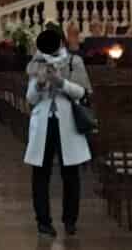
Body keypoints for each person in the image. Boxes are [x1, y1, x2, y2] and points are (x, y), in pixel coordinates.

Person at [25, 23, 91, 241]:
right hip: (44, 122)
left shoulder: (74, 61)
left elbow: (82, 92)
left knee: (70, 173)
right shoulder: (36, 63)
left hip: (68, 122)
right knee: (40, 174)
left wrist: (61, 83)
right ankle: (43, 222)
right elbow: (30, 99)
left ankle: (70, 220)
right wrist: (40, 85)